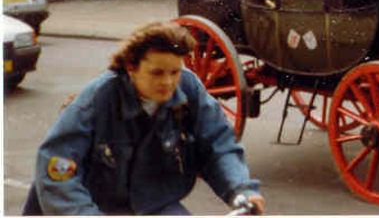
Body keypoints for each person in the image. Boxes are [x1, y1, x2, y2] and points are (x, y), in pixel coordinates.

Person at [23, 20, 265, 215]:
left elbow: (218, 145)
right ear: (131, 67)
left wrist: (240, 190)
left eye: (175, 72)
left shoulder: (189, 89)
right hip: (97, 208)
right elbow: (58, 173)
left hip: (155, 205)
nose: (168, 82)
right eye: (156, 73)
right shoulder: (95, 101)